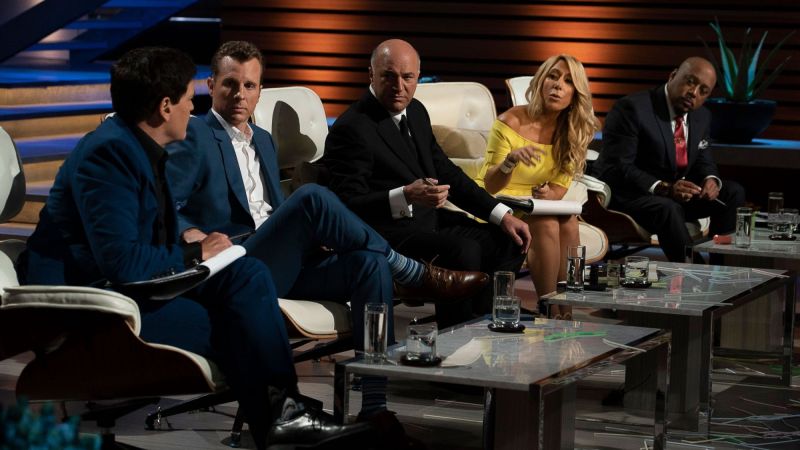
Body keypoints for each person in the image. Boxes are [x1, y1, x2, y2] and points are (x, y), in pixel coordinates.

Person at [16, 47, 370, 450]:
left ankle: (283, 416)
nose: (192, 106)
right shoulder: (107, 155)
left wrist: (201, 252)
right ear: (165, 106)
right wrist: (195, 254)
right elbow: (122, 263)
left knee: (247, 273)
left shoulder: (141, 147)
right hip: (91, 303)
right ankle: (281, 422)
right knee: (239, 327)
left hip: (134, 286)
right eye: (188, 97)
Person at [165, 41, 486, 437]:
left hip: (282, 260)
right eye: (230, 84)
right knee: (313, 197)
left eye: (249, 86)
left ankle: (375, 407)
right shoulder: (194, 135)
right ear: (211, 85)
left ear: (260, 91)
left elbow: (272, 210)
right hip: (238, 265)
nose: (239, 95)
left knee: (368, 264)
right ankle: (409, 270)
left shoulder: (263, 139)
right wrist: (193, 235)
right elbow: (165, 208)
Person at [323, 39, 532, 325]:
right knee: (463, 250)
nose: (399, 86)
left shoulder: (416, 111)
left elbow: (447, 173)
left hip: (429, 223)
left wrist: (501, 215)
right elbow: (348, 205)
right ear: (371, 74)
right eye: (388, 76)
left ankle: (485, 321)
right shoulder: (351, 128)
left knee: (511, 239)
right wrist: (405, 195)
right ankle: (456, 335)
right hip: (387, 235)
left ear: (418, 77)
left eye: (407, 77)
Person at [477, 54, 600, 319]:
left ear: (575, 94)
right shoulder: (510, 121)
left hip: (535, 203)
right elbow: (490, 185)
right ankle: (548, 308)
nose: (558, 85)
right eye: (553, 76)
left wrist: (547, 193)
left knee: (569, 222)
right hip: (501, 201)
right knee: (546, 223)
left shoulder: (572, 130)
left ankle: (566, 309)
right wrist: (510, 161)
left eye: (568, 81)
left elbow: (559, 188)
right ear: (541, 81)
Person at [592, 57, 745, 262]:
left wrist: (710, 179)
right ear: (673, 76)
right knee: (667, 208)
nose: (694, 93)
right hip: (631, 196)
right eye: (690, 81)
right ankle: (695, 270)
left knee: (732, 193)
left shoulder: (702, 116)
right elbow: (617, 167)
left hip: (674, 196)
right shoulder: (632, 108)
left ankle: (722, 268)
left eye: (703, 91)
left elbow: (703, 157)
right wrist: (665, 188)